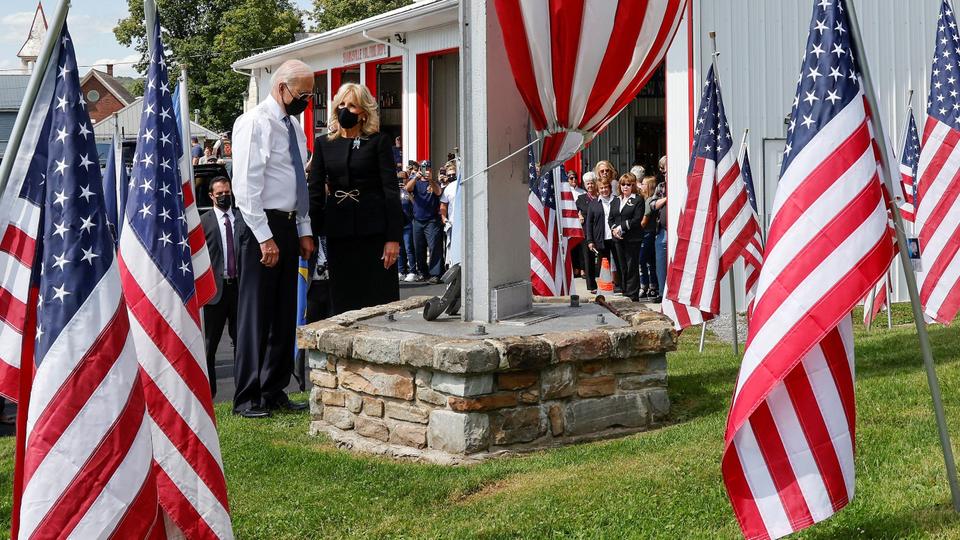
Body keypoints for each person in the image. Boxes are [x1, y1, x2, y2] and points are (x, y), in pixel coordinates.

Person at [231, 59, 316, 418]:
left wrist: (304, 229)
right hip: (259, 224)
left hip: (287, 222)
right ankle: (247, 396)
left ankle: (274, 388)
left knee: (283, 313)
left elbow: (298, 180)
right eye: (302, 93)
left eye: (311, 94)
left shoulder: (294, 126)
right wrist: (265, 237)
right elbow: (246, 186)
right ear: (281, 87)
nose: (306, 100)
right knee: (256, 313)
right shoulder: (255, 123)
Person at [310, 82, 402, 313]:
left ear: (363, 112)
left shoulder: (379, 142)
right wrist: (309, 233)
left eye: (351, 105)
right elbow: (315, 191)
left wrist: (393, 238)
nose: (345, 109)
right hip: (339, 233)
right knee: (343, 299)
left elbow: (391, 191)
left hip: (374, 233)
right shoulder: (323, 144)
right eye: (341, 104)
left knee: (378, 299)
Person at [199, 177, 239, 398]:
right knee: (209, 346)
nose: (225, 196)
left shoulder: (241, 219)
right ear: (212, 196)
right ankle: (210, 395)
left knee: (241, 342)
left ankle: (243, 391)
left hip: (239, 289)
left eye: (227, 192)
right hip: (214, 292)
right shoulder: (204, 222)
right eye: (220, 193)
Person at [405, 160, 444, 283]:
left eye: (427, 168)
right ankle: (423, 272)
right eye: (423, 168)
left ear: (431, 170)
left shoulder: (434, 182)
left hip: (432, 220)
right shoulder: (415, 182)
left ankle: (435, 274)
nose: (424, 171)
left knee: (434, 247)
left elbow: (438, 192)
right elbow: (407, 188)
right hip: (417, 220)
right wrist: (416, 178)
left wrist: (430, 180)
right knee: (419, 248)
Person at [608, 173, 643, 301]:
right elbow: (611, 218)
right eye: (623, 184)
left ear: (633, 185)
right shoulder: (616, 200)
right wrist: (614, 229)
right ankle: (624, 291)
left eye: (628, 184)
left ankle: (632, 294)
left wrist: (621, 227)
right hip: (618, 239)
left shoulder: (638, 199)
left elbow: (636, 219)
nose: (625, 187)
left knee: (631, 266)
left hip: (632, 238)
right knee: (621, 266)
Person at [585, 176, 615, 293]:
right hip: (601, 239)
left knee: (618, 263)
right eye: (601, 188)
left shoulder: (616, 200)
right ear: (598, 190)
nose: (604, 190)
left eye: (606, 187)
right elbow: (589, 223)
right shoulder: (593, 204)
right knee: (603, 264)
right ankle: (604, 286)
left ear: (610, 188)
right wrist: (590, 240)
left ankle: (620, 285)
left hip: (615, 238)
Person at [639, 176, 660, 302]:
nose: (641, 186)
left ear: (649, 186)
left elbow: (644, 221)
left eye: (643, 184)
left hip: (647, 233)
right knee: (651, 261)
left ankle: (645, 285)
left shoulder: (649, 201)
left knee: (642, 260)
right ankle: (653, 285)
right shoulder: (647, 199)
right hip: (651, 234)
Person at [577, 172, 599, 292]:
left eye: (592, 183)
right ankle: (591, 286)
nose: (590, 185)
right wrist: (578, 216)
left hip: (599, 231)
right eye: (587, 184)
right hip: (586, 232)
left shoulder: (600, 196)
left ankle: (605, 282)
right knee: (588, 259)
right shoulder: (581, 199)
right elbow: (574, 212)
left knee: (603, 258)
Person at [651, 156, 668, 294]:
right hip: (662, 230)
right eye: (664, 172)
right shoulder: (661, 187)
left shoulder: (683, 184)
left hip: (679, 229)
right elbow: (652, 204)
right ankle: (662, 292)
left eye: (668, 171)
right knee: (660, 261)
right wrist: (667, 198)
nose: (666, 175)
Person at [398, 169, 419, 282]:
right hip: (399, 224)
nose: (401, 180)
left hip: (409, 224)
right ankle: (401, 270)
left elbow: (415, 204)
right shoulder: (394, 190)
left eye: (403, 178)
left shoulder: (409, 190)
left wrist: (407, 192)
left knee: (409, 248)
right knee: (400, 249)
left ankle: (413, 271)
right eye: (399, 178)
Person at [440, 162, 459, 261]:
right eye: (449, 175)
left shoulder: (462, 183)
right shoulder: (448, 188)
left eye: (453, 175)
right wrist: (444, 218)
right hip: (452, 223)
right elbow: (443, 205)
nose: (451, 177)